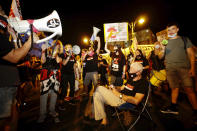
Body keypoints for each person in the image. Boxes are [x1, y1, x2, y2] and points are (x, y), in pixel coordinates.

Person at [0, 5, 32, 131]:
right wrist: (31, 41)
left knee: (13, 116)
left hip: (10, 84)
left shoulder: (3, 36)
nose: (6, 16)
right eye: (2, 12)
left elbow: (14, 51)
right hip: (3, 86)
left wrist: (13, 38)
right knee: (4, 122)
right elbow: (14, 57)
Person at [159, 22, 197, 124]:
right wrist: (162, 49)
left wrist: (192, 68)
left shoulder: (184, 39)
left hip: (184, 68)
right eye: (169, 30)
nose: (171, 31)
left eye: (173, 29)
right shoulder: (165, 41)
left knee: (189, 89)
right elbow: (160, 57)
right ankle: (173, 107)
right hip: (170, 69)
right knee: (174, 88)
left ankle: (195, 111)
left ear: (177, 29)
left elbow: (191, 54)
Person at [37, 41, 62, 123]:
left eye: (58, 46)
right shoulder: (46, 51)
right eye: (55, 45)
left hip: (56, 76)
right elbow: (43, 61)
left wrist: (56, 54)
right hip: (45, 75)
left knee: (54, 94)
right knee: (44, 95)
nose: (56, 46)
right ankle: (42, 114)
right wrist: (43, 51)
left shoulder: (60, 55)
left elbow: (58, 62)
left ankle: (52, 111)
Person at [59, 44, 77, 108]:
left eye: (70, 48)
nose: (70, 49)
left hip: (71, 74)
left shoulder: (73, 56)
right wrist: (68, 56)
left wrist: (76, 73)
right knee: (64, 88)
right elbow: (64, 63)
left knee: (72, 87)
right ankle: (61, 102)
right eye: (68, 48)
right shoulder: (63, 55)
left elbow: (74, 65)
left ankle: (71, 100)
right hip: (64, 74)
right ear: (65, 49)